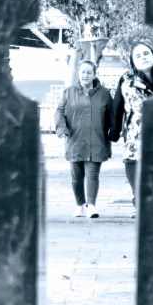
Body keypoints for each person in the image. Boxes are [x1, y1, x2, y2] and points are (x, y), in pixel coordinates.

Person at [110, 39, 153, 217]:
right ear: (132, 61)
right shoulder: (126, 80)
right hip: (135, 136)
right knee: (134, 165)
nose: (143, 57)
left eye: (146, 53)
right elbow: (117, 107)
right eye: (138, 55)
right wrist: (114, 133)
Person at [54, 59, 114, 218]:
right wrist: (62, 129)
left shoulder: (104, 94)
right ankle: (80, 205)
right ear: (79, 74)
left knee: (93, 174)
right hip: (75, 139)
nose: (85, 75)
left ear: (94, 75)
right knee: (76, 177)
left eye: (89, 72)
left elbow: (113, 115)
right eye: (82, 72)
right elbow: (59, 112)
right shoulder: (69, 92)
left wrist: (113, 132)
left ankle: (91, 206)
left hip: (97, 140)